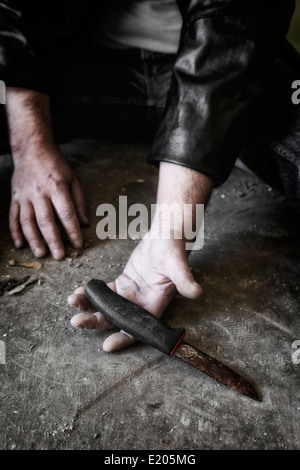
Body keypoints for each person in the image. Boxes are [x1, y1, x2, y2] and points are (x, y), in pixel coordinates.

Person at [0, 1, 299, 352]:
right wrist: (31, 147)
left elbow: (229, 26)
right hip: (74, 60)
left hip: (235, 66)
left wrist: (171, 230)